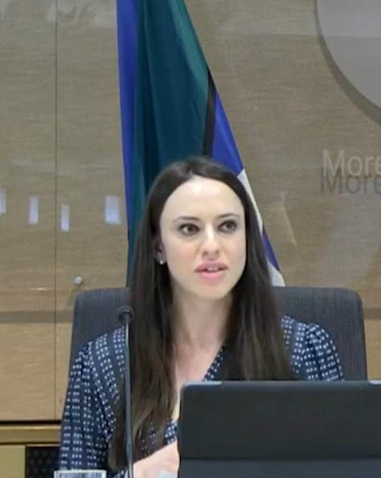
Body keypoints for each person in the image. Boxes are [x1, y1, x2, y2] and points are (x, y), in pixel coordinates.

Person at [58, 157, 344, 478]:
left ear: (247, 241)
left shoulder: (304, 348)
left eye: (227, 226)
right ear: (158, 248)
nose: (211, 246)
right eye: (189, 229)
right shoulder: (102, 362)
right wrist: (141, 474)